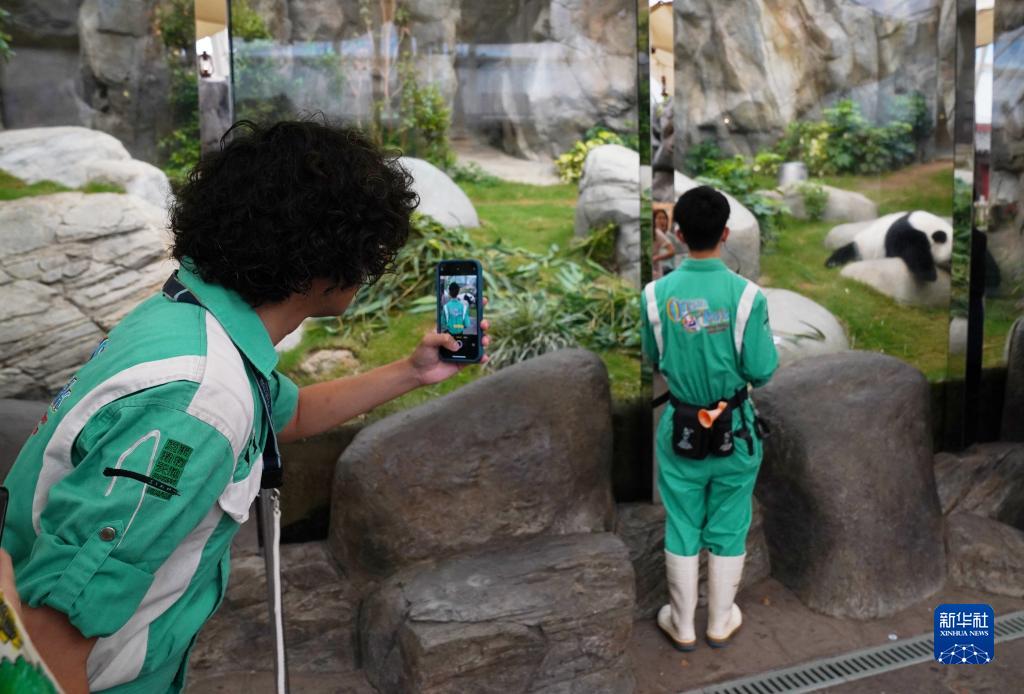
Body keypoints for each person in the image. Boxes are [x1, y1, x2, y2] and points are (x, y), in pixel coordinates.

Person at [1, 118, 491, 693]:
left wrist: (413, 371)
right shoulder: (197, 403)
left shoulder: (186, 319)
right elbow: (54, 634)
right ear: (325, 258)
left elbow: (290, 412)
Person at [640, 186, 778, 652]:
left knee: (681, 519)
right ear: (725, 233)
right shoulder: (748, 297)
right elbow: (762, 369)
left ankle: (681, 624)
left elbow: (654, 355)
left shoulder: (654, 295)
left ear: (678, 234)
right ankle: (719, 621)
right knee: (730, 519)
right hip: (735, 429)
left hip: (679, 427)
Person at [652, 209, 677, 278]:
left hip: (667, 269)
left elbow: (673, 254)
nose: (662, 221)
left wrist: (656, 258)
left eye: (664, 218)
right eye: (659, 218)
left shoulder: (671, 237)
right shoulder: (652, 235)